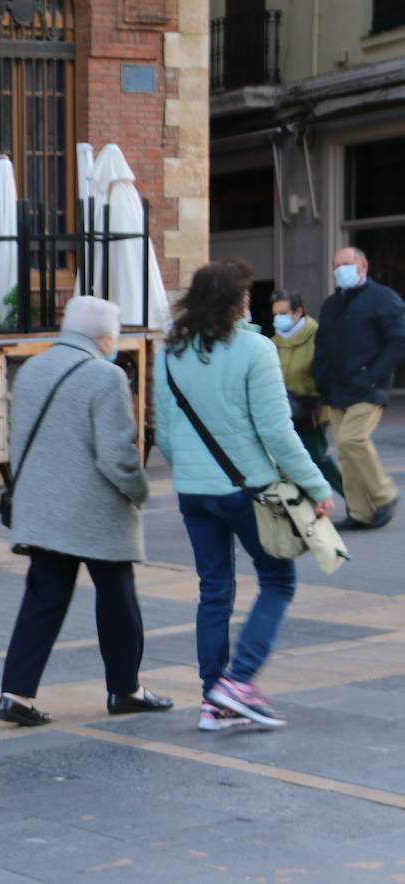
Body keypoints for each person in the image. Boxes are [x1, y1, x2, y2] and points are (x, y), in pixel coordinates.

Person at [156, 260, 334, 730]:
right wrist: (317, 486)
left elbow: (166, 435)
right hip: (247, 490)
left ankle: (213, 698)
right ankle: (237, 683)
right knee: (278, 581)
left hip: (193, 493)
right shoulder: (257, 348)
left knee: (214, 592)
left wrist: (191, 474)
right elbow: (278, 432)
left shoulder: (171, 351)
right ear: (236, 302)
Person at [0, 296, 173, 727]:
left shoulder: (31, 369)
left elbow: (16, 440)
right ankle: (125, 688)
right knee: (118, 600)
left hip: (42, 507)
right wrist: (139, 490)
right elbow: (117, 455)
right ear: (107, 338)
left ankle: (15, 694)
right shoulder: (106, 375)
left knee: (43, 599)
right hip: (95, 511)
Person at [312, 247, 405, 531]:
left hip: (369, 387)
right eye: (336, 265)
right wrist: (321, 382)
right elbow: (323, 347)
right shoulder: (331, 305)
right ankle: (361, 512)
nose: (341, 270)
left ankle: (383, 494)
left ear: (363, 265)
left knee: (353, 440)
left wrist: (373, 376)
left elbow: (398, 341)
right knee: (345, 450)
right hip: (337, 390)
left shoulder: (383, 299)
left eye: (347, 264)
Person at [271, 290, 344, 498]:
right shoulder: (274, 342)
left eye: (283, 313)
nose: (278, 318)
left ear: (298, 312)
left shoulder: (318, 336)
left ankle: (354, 496)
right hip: (286, 411)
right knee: (287, 460)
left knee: (317, 457)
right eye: (275, 314)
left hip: (312, 410)